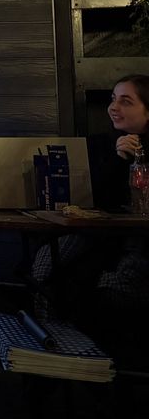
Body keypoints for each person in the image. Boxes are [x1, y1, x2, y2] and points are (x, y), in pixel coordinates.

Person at [32, 75, 149, 341]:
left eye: (126, 101)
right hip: (96, 233)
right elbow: (91, 197)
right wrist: (119, 160)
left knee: (115, 288)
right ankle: (54, 347)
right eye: (113, 99)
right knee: (45, 268)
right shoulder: (101, 145)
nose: (114, 107)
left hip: (135, 241)